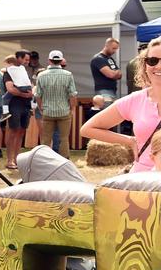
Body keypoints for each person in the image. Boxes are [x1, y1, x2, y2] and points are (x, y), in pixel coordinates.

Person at [81, 36, 161, 173]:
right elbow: (87, 129)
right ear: (145, 65)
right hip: (142, 183)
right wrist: (130, 141)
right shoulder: (136, 100)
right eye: (152, 61)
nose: (158, 66)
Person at [34, 50, 78, 156]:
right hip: (64, 111)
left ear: (49, 60)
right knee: (64, 138)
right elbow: (72, 95)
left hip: (48, 111)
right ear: (61, 60)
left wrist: (41, 108)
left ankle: (45, 159)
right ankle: (64, 160)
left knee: (46, 139)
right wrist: (71, 109)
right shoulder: (68, 75)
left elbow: (38, 95)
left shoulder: (41, 75)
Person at [2, 50, 35, 170]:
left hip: (25, 105)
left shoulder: (23, 71)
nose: (27, 62)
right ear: (18, 58)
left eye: (28, 60)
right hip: (14, 105)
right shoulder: (8, 72)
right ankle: (9, 160)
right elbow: (10, 89)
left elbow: (30, 86)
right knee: (12, 132)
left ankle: (17, 159)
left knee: (21, 132)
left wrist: (30, 93)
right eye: (25, 59)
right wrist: (24, 94)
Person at [90, 37, 122, 104]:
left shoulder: (110, 59)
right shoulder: (98, 59)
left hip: (112, 90)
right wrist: (115, 73)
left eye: (116, 49)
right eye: (113, 48)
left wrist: (115, 73)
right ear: (106, 46)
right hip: (103, 91)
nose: (115, 51)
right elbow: (111, 75)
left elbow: (120, 75)